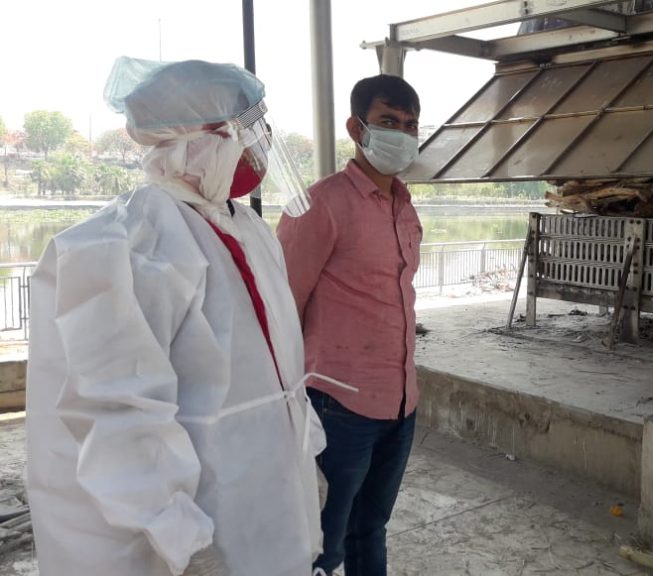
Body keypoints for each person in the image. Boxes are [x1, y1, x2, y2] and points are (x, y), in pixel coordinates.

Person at [25, 57, 324, 576]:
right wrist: (182, 539)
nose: (262, 145)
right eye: (249, 129)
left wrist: (305, 455)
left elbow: (281, 374)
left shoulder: (247, 230)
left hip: (268, 506)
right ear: (197, 139)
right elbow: (115, 415)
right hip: (191, 531)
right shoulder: (129, 244)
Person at [277, 74, 422, 576]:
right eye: (388, 122)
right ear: (356, 128)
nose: (401, 134)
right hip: (339, 405)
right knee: (324, 542)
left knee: (370, 528)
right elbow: (282, 306)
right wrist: (287, 400)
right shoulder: (320, 205)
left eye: (409, 125)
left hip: (401, 402)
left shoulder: (405, 206)